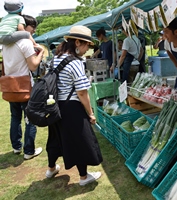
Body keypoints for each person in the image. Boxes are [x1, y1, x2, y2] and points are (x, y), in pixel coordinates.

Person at [45, 25, 103, 186]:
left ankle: (51, 169)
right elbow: (82, 93)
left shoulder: (56, 57)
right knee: (80, 140)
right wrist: (90, 113)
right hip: (71, 107)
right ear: (77, 43)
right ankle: (84, 178)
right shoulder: (75, 62)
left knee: (55, 138)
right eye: (86, 46)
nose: (87, 50)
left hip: (54, 105)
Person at [2, 14, 44, 159]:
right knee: (30, 119)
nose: (33, 31)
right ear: (24, 26)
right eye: (32, 28)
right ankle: (29, 151)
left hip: (10, 87)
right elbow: (33, 66)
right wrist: (41, 53)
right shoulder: (25, 42)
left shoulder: (5, 44)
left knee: (15, 118)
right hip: (25, 87)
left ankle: (16, 147)